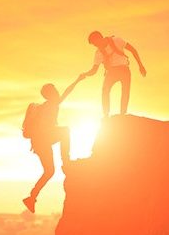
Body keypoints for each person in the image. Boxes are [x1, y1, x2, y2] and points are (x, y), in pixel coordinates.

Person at [22, 75, 85, 213]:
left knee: (49, 171)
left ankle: (31, 198)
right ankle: (66, 160)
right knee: (65, 132)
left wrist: (77, 80)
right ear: (50, 94)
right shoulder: (51, 105)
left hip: (40, 143)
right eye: (55, 91)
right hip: (42, 141)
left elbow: (66, 93)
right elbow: (44, 127)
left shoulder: (49, 104)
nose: (57, 93)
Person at [81, 31, 146, 117]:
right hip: (111, 72)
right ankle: (106, 114)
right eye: (94, 45)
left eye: (95, 43)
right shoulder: (98, 53)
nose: (95, 46)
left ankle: (123, 113)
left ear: (99, 38)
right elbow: (94, 70)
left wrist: (141, 66)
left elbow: (133, 50)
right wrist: (85, 74)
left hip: (124, 69)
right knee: (105, 90)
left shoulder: (116, 40)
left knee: (125, 90)